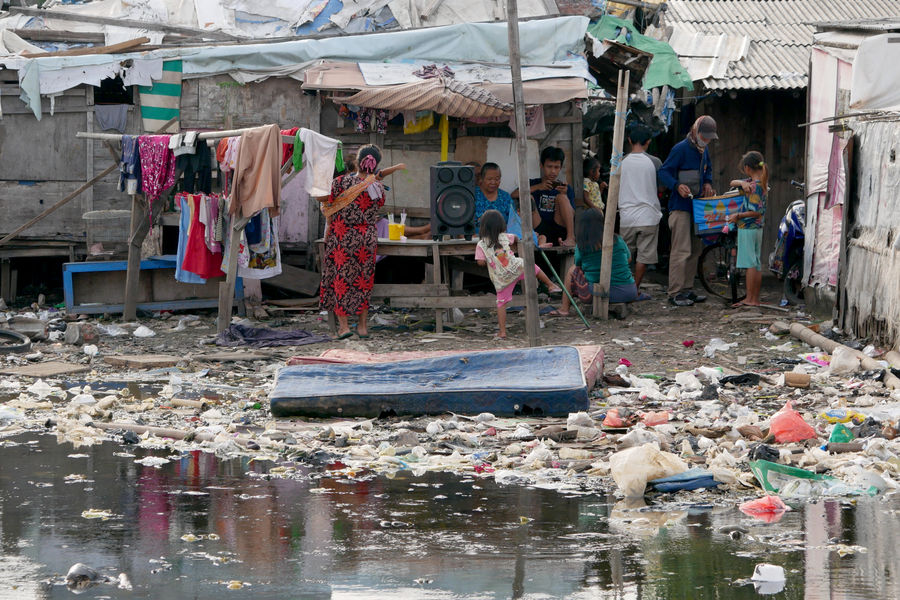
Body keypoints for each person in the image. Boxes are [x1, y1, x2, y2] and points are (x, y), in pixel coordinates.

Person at [320, 145, 406, 339]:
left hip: (342, 236)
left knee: (342, 279)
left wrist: (328, 231)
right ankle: (362, 327)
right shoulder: (377, 187)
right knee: (363, 281)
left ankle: (343, 327)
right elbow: (378, 206)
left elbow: (328, 208)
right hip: (366, 237)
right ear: (375, 165)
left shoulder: (339, 182)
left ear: (357, 162)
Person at [658, 115, 717, 307]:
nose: (706, 141)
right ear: (696, 131)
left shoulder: (704, 150)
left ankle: (687, 289)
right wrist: (676, 185)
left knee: (695, 249)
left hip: (698, 206)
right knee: (681, 250)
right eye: (704, 137)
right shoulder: (680, 149)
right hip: (680, 207)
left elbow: (707, 171)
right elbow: (664, 172)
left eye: (709, 138)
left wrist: (707, 183)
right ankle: (674, 292)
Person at [475, 209, 560, 339]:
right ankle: (550, 284)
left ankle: (502, 332)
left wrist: (489, 259)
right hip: (516, 268)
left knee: (501, 303)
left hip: (502, 278)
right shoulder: (505, 236)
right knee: (532, 266)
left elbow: (480, 262)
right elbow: (515, 238)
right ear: (501, 225)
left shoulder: (481, 244)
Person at [553, 208, 638, 316]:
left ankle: (564, 309)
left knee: (571, 270)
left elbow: (578, 264)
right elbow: (628, 259)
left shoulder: (582, 245)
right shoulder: (617, 239)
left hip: (598, 293)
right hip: (628, 292)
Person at [619, 124, 661, 298]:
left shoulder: (621, 163)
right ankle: (634, 290)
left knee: (625, 255)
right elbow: (662, 185)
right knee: (644, 256)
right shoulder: (655, 162)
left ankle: (622, 287)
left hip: (627, 217)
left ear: (629, 140)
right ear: (648, 142)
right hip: (649, 216)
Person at [726, 151, 768, 307]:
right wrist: (741, 183)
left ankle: (750, 299)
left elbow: (756, 211)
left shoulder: (754, 187)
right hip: (757, 227)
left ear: (747, 168)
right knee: (756, 263)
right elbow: (732, 182)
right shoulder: (758, 182)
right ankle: (754, 298)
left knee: (751, 263)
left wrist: (738, 215)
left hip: (748, 226)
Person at [512, 146, 576, 247]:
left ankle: (571, 238)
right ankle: (530, 237)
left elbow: (572, 214)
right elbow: (513, 194)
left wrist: (565, 195)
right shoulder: (533, 183)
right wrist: (538, 187)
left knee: (562, 198)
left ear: (560, 167)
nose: (553, 171)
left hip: (559, 228)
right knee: (527, 196)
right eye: (549, 167)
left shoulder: (565, 188)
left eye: (556, 167)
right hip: (538, 229)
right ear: (541, 166)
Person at [474, 162, 513, 227]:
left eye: (497, 179)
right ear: (482, 178)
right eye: (489, 179)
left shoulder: (505, 197)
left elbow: (513, 222)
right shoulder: (472, 195)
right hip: (477, 236)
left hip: (501, 235)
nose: (493, 182)